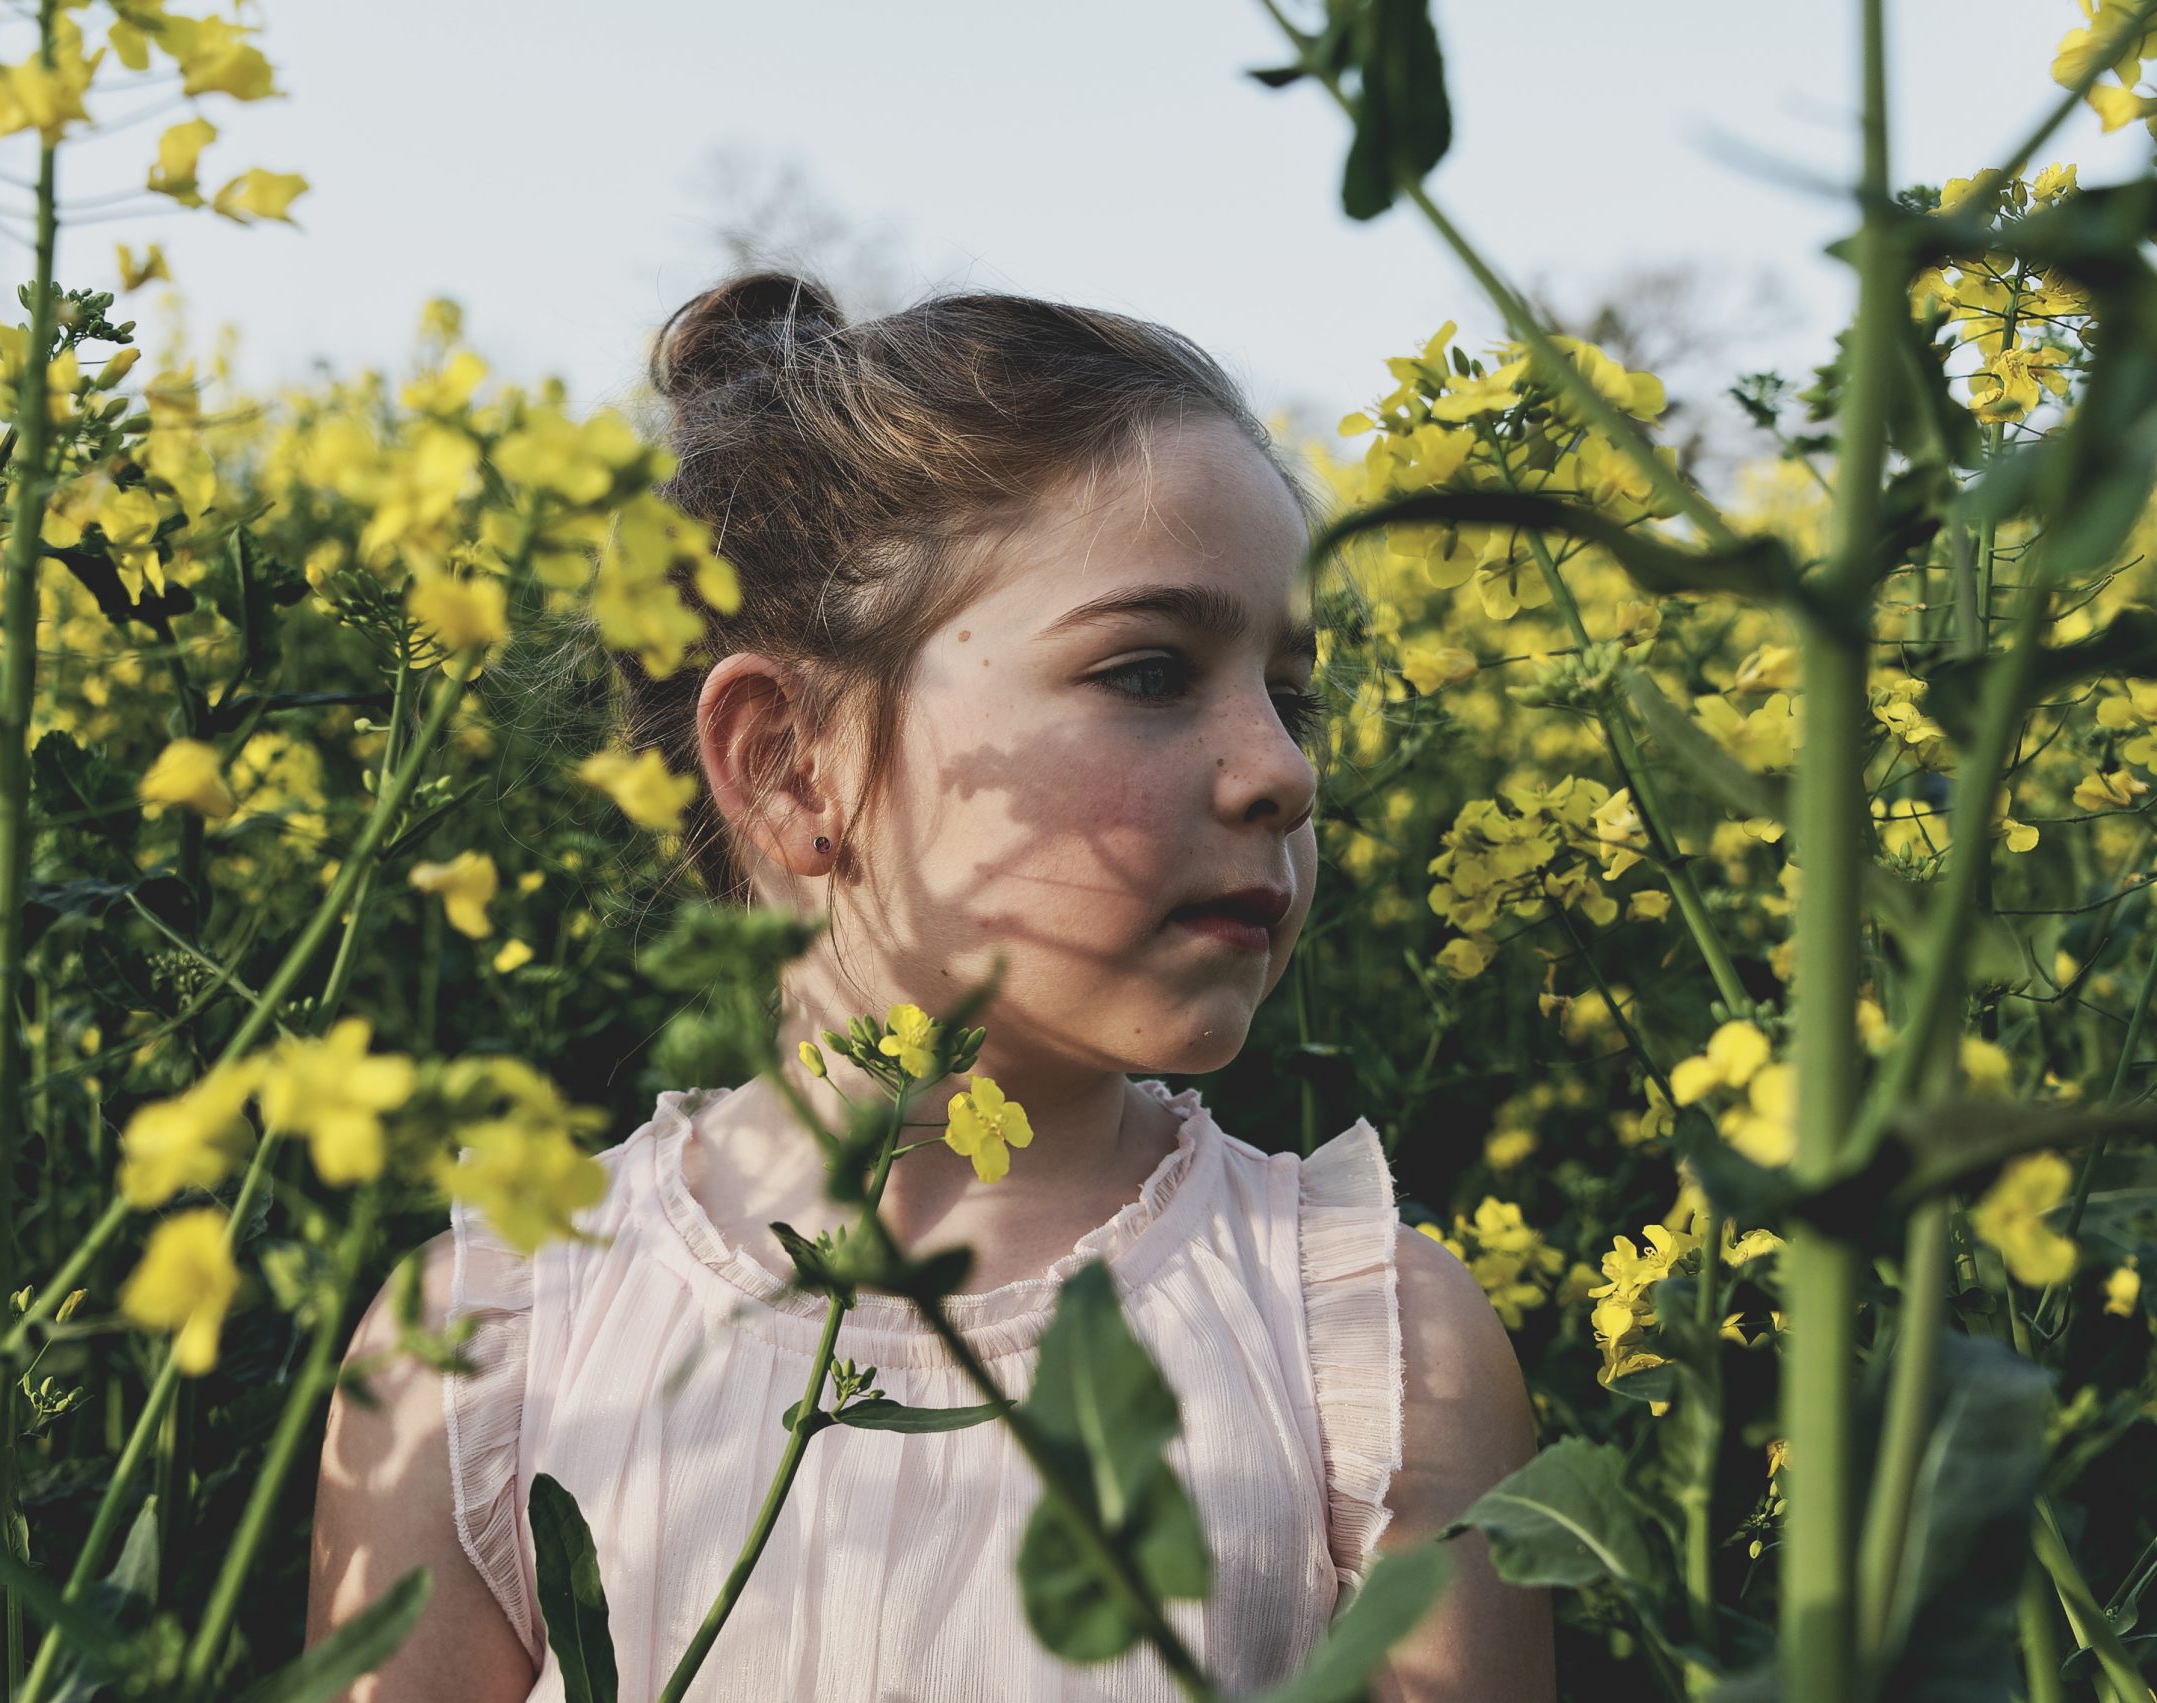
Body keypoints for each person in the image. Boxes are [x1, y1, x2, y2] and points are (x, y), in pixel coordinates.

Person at [306, 271, 1552, 1701]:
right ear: (788, 769)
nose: (1284, 768)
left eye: (1294, 692)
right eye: (1150, 673)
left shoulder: (1377, 1347)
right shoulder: (487, 1343)